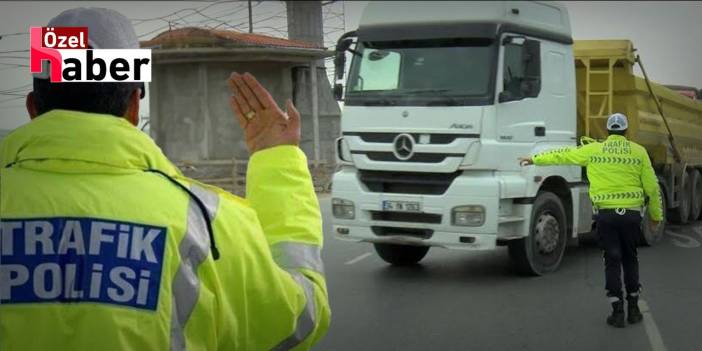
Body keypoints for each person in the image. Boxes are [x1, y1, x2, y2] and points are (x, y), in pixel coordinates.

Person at [0, 7, 329, 350]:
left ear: (32, 108)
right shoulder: (208, 223)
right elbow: (301, 317)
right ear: (133, 105)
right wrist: (276, 159)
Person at [518, 112, 663, 328]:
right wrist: (656, 216)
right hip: (631, 216)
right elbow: (652, 187)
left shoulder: (594, 149)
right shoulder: (639, 152)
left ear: (607, 130)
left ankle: (617, 312)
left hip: (606, 216)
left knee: (612, 260)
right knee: (630, 259)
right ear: (626, 131)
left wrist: (535, 159)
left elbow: (564, 155)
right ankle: (634, 310)